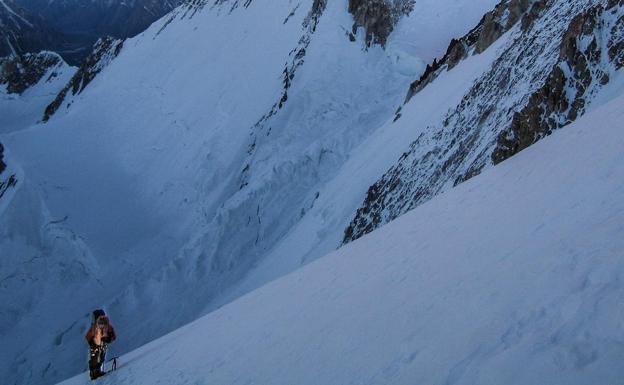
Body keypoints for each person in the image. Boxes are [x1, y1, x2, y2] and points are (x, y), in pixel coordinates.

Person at [85, 309, 116, 380]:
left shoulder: (98, 326)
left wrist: (108, 338)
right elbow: (89, 337)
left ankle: (95, 372)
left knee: (97, 356)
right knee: (97, 356)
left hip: (99, 344)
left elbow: (112, 335)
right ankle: (95, 372)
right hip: (98, 344)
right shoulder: (99, 326)